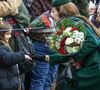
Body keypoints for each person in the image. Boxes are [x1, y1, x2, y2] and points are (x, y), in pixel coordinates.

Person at [32, 1, 100, 90]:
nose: (51, 15)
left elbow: (93, 42)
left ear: (61, 11)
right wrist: (45, 57)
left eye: (53, 11)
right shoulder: (75, 20)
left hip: (93, 68)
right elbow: (69, 55)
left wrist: (76, 56)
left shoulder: (70, 22)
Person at [0, 21, 33, 90]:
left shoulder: (5, 45)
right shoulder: (1, 47)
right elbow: (7, 57)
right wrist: (22, 56)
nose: (10, 36)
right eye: (7, 34)